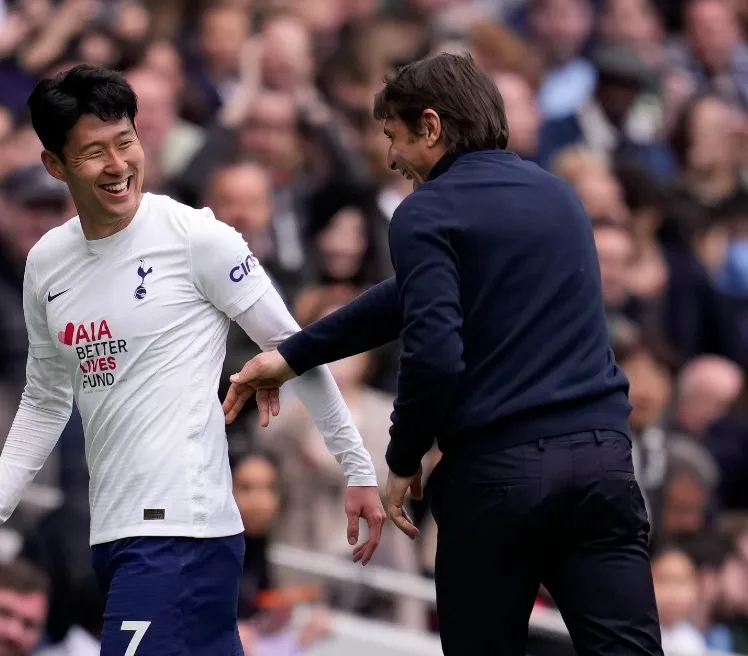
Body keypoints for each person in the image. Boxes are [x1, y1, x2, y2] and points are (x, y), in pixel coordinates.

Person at [223, 52, 664, 655]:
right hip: (602, 465)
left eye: (393, 136)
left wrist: (401, 459)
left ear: (431, 127)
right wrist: (293, 354)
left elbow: (434, 354)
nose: (391, 158)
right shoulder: (559, 196)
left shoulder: (424, 211)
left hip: (499, 476)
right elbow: (406, 297)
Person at [0, 64, 385, 656]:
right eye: (93, 152)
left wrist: (357, 469)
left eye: (125, 141)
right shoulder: (46, 263)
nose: (118, 164)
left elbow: (296, 348)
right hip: (115, 533)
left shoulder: (196, 237)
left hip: (183, 531)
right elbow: (45, 400)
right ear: (55, 165)